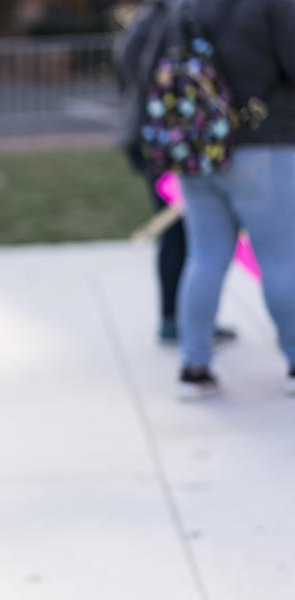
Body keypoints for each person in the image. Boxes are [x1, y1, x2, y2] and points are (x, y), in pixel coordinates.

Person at [173, 0, 295, 399]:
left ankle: (194, 367)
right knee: (281, 259)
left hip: (199, 146)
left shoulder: (187, 6)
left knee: (204, 257)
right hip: (263, 145)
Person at [113, 0, 237, 347]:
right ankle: (178, 319)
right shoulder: (174, 17)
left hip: (156, 140)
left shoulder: (149, 18)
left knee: (188, 233)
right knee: (184, 232)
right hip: (168, 145)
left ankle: (187, 317)